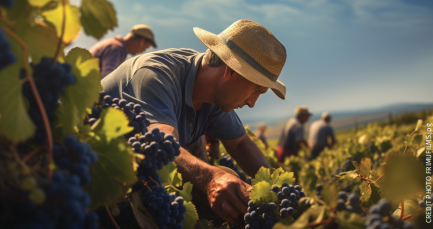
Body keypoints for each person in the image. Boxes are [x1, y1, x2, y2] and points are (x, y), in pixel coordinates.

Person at [101, 19, 287, 225]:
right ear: (231, 71)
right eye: (255, 91)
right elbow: (163, 147)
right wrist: (211, 178)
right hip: (82, 180)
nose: (252, 103)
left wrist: (277, 190)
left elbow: (240, 144)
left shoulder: (214, 94)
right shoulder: (154, 76)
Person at [90, 24, 157, 78]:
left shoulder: (114, 44)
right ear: (141, 42)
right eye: (146, 47)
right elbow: (108, 80)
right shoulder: (116, 49)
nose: (143, 51)